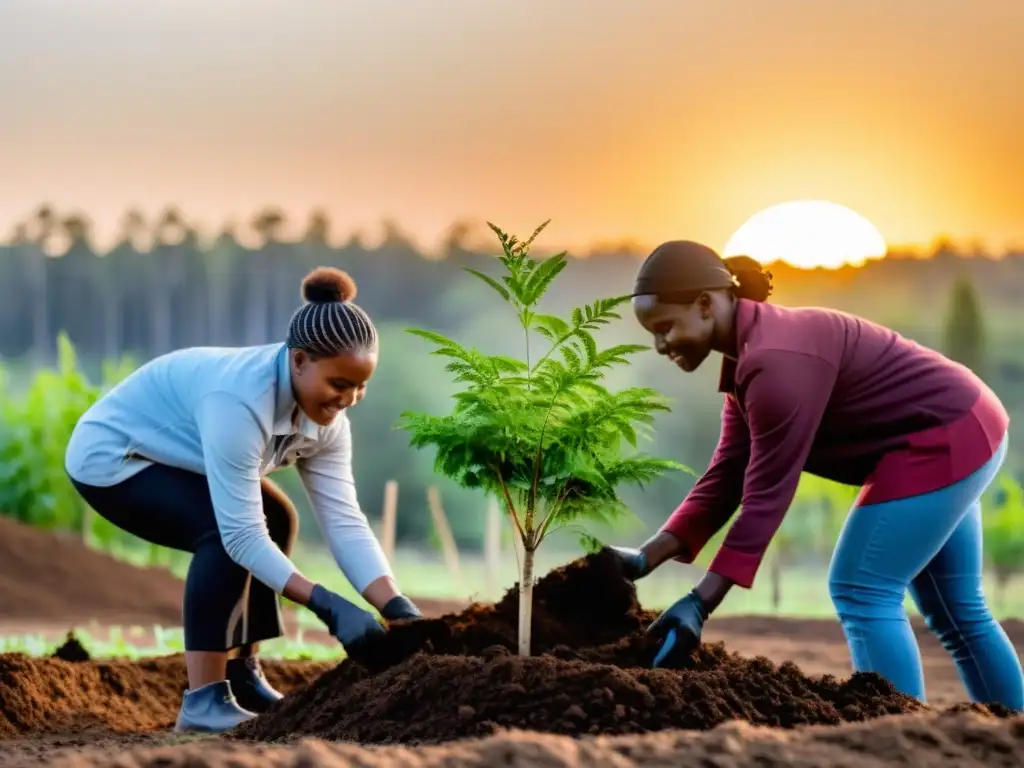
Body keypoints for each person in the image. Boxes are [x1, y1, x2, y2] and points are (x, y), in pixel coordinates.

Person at [610, 239, 1024, 711]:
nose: (661, 345)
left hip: (942, 437)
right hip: (967, 422)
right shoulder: (749, 358)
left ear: (705, 305)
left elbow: (765, 496)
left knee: (862, 587)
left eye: (665, 328)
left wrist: (700, 603)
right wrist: (646, 558)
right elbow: (727, 473)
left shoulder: (776, 364)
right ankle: (1011, 741)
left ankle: (900, 740)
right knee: (957, 611)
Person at [65, 266, 423, 733]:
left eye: (360, 386)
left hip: (176, 455)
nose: (349, 399)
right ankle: (204, 701)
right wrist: (327, 604)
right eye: (338, 384)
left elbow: (344, 520)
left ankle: (243, 674)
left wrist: (396, 607)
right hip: (114, 457)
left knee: (276, 516)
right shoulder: (238, 402)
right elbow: (240, 536)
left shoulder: (329, 424)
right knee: (220, 530)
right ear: (298, 361)